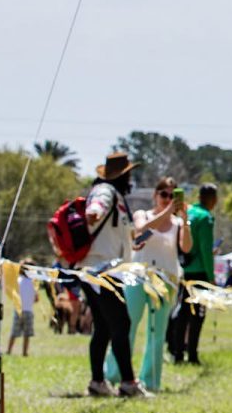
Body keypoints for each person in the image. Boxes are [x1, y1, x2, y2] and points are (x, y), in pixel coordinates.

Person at [75, 152, 149, 397]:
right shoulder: (105, 191)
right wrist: (92, 213)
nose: (131, 180)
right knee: (121, 323)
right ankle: (128, 383)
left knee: (104, 327)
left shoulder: (114, 195)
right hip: (101, 270)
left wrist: (131, 245)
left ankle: (97, 382)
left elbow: (114, 231)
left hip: (103, 269)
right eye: (128, 175)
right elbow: (96, 207)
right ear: (122, 176)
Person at [107, 177, 190, 391]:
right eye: (164, 194)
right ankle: (114, 373)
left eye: (173, 195)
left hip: (166, 278)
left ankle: (150, 380)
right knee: (127, 324)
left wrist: (185, 220)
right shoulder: (142, 214)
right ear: (155, 195)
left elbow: (186, 248)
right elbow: (140, 230)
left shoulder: (178, 223)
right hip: (138, 274)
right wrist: (168, 211)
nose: (168, 199)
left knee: (157, 330)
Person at [174, 182, 217, 366]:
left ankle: (177, 352)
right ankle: (192, 354)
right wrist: (211, 276)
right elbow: (206, 250)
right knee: (197, 315)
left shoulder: (189, 213)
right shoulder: (205, 217)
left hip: (185, 271)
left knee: (183, 314)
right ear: (212, 199)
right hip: (200, 273)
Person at [10, 262, 38, 356]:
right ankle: (24, 352)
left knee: (14, 332)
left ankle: (9, 350)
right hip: (29, 311)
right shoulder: (33, 283)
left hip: (18, 311)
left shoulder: (18, 280)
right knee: (27, 334)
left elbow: (13, 294)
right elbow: (36, 298)